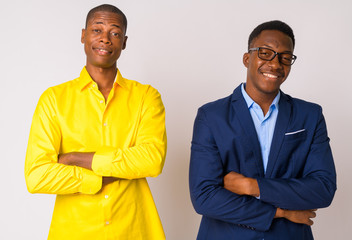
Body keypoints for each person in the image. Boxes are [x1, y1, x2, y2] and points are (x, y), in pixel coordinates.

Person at [25, 4, 166, 240]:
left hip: (134, 230)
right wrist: (103, 176)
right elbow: (37, 176)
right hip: (74, 232)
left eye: (115, 33)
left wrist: (74, 159)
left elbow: (152, 160)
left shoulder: (146, 97)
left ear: (124, 41)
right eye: (97, 30)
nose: (105, 39)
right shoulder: (53, 100)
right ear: (83, 35)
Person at [189, 20, 336, 240]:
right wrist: (281, 212)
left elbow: (323, 189)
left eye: (285, 57)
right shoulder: (211, 116)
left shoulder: (310, 115)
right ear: (247, 58)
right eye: (266, 53)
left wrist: (252, 186)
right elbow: (204, 197)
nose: (276, 64)